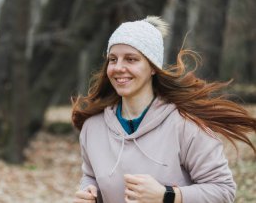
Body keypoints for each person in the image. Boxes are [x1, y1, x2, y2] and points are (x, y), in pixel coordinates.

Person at [71, 16, 256, 203]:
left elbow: (223, 191)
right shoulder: (93, 127)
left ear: (153, 67)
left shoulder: (186, 125)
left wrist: (167, 195)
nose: (118, 68)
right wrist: (89, 194)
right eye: (113, 59)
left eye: (131, 59)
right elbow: (91, 177)